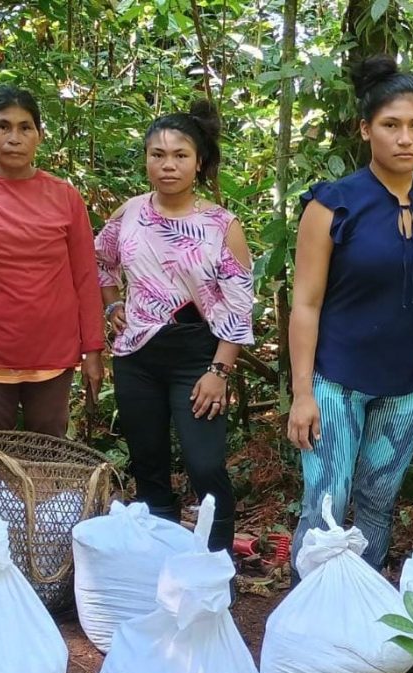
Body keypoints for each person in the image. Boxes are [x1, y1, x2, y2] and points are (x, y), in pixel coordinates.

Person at [287, 55, 413, 576]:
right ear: (366, 130)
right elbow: (306, 303)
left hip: (407, 384)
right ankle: (310, 618)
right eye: (390, 125)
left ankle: (362, 619)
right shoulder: (333, 204)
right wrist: (302, 393)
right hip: (336, 379)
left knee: (379, 503)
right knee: (325, 504)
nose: (404, 138)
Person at [95, 100, 254, 556]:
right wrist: (113, 306)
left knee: (205, 465)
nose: (168, 165)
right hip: (137, 356)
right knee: (149, 465)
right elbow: (100, 261)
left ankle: (216, 561)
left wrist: (219, 371)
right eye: (157, 154)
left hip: (198, 356)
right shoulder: (129, 213)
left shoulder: (220, 225)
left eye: (180, 155)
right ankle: (158, 560)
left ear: (198, 160)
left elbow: (239, 304)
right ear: (145, 159)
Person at [0, 85, 104, 434]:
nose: (14, 138)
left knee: (46, 449)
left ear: (39, 136)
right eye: (3, 126)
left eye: (25, 127)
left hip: (53, 352)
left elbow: (85, 277)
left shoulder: (64, 197)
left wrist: (93, 349)